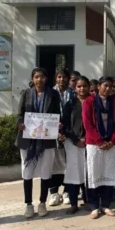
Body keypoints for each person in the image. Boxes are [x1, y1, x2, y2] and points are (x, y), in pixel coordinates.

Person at [17, 67, 61, 219]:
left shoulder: (53, 94)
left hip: (47, 138)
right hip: (28, 139)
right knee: (27, 172)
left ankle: (42, 202)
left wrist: (57, 124)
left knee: (46, 171)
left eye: (42, 77)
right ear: (32, 78)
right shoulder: (26, 93)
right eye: (36, 77)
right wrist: (20, 123)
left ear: (46, 78)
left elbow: (56, 115)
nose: (39, 80)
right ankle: (28, 204)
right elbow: (19, 115)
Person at [83, 76, 115, 218]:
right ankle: (94, 206)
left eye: (110, 86)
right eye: (105, 85)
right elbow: (88, 124)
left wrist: (112, 140)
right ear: (98, 86)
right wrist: (99, 141)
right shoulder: (89, 101)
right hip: (94, 144)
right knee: (94, 174)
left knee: (108, 173)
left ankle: (106, 205)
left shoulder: (114, 101)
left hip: (111, 144)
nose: (108, 89)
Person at [60, 76, 90, 214]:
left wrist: (87, 139)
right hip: (73, 143)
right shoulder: (70, 104)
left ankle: (88, 200)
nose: (82, 89)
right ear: (75, 88)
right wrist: (75, 140)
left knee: (88, 172)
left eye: (84, 86)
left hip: (89, 143)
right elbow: (64, 125)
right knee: (73, 172)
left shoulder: (93, 102)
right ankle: (73, 203)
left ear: (89, 87)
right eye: (79, 86)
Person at [49, 68, 73, 208]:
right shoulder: (50, 93)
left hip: (68, 134)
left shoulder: (73, 93)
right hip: (52, 134)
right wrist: (54, 131)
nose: (61, 79)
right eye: (59, 77)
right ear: (55, 78)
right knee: (53, 163)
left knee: (68, 163)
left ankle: (67, 192)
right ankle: (53, 192)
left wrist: (66, 132)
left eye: (64, 77)